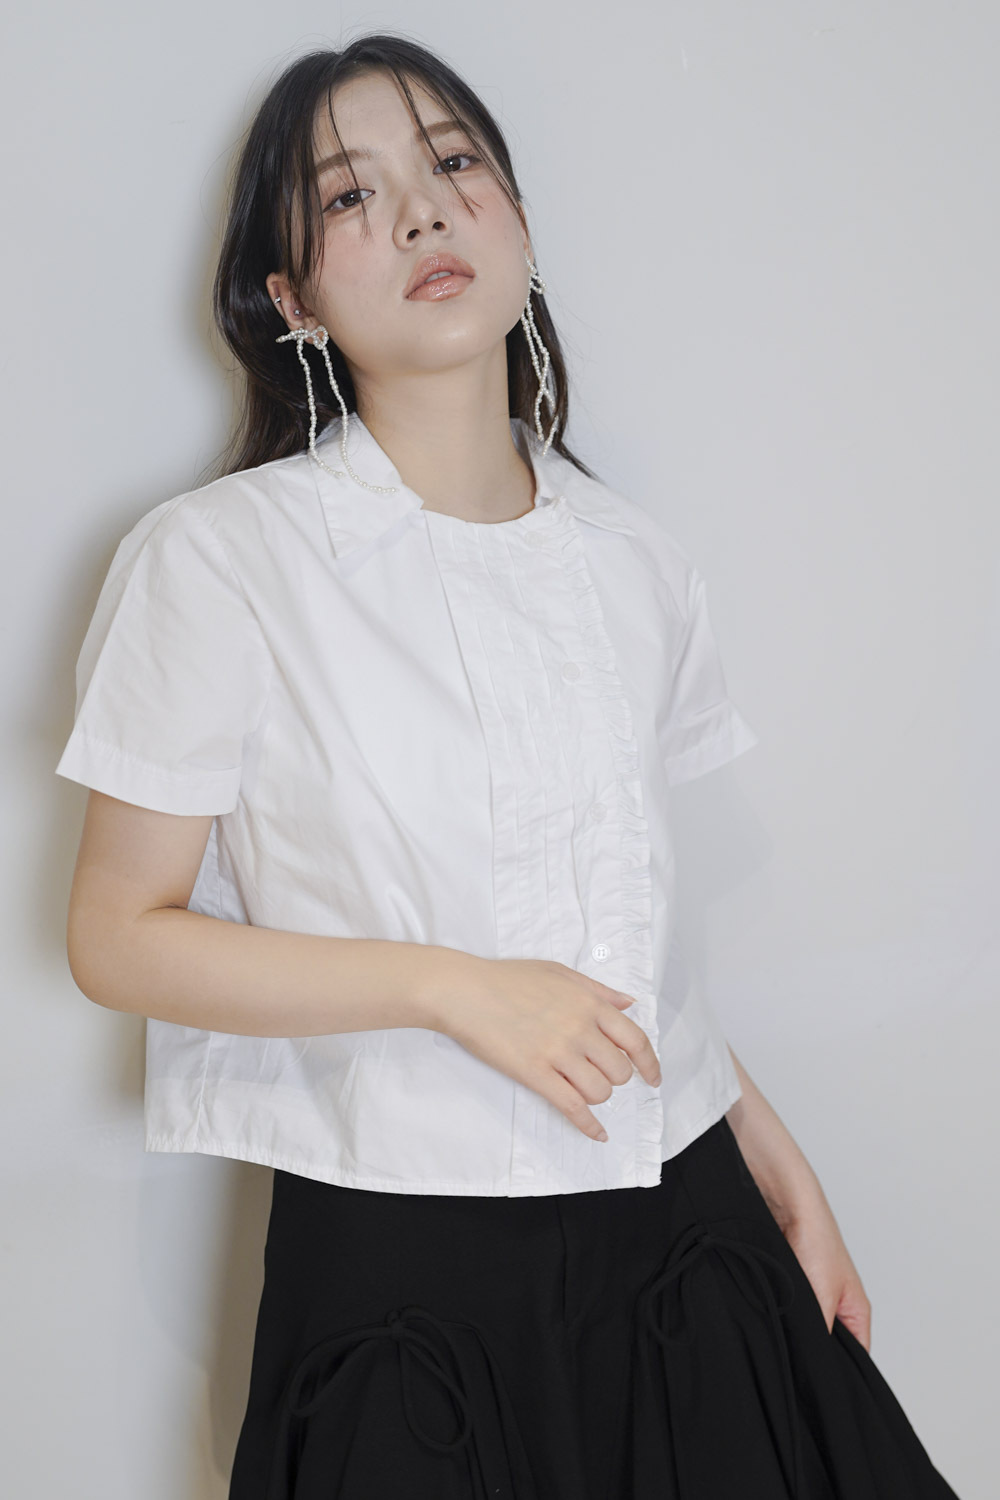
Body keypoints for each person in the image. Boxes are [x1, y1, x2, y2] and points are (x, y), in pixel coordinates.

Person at [55, 32, 962, 1500]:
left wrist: (764, 1142)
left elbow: (626, 921)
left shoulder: (633, 558)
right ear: (292, 300)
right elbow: (116, 936)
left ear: (520, 223)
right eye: (350, 195)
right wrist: (451, 988)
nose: (422, 210)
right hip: (404, 1260)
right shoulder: (220, 560)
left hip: (687, 1227)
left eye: (454, 162)